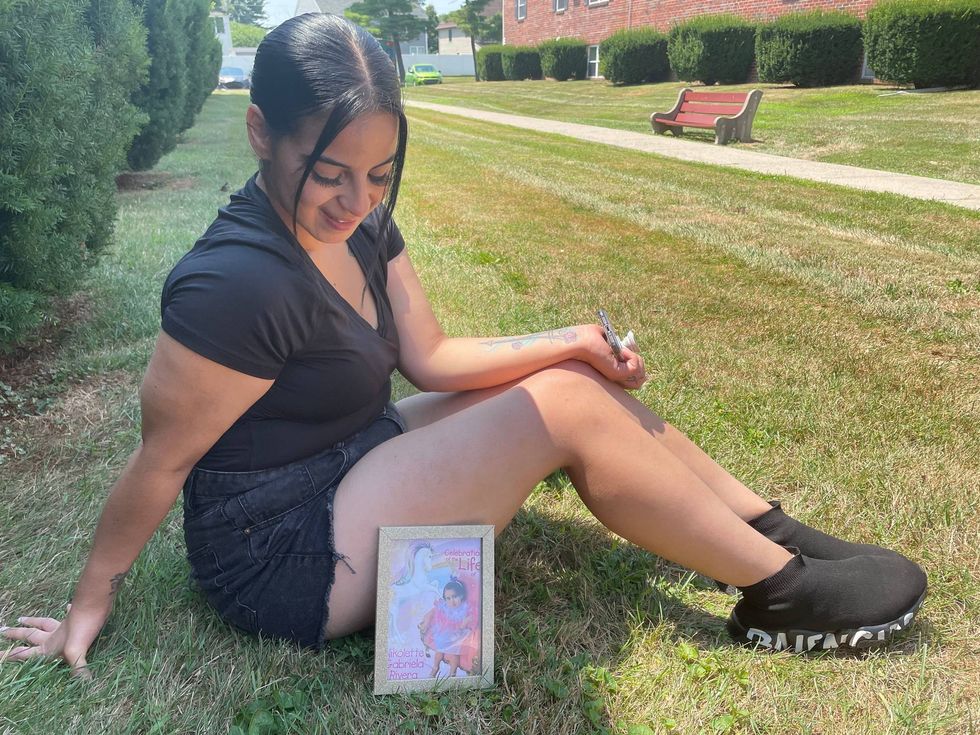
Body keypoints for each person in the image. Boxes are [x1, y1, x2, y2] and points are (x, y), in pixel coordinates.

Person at [0, 13, 926, 676]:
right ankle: (783, 591)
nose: (358, 200)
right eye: (328, 173)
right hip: (279, 548)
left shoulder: (361, 223)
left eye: (378, 173)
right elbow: (162, 461)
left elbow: (432, 358)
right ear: (260, 133)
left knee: (565, 374)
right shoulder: (234, 282)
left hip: (353, 459)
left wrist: (576, 338)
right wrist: (92, 597)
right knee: (557, 408)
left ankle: (774, 533)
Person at [418, 579, 474, 678]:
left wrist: (464, 623)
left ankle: (452, 672)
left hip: (458, 635)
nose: (452, 601)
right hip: (444, 633)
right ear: (445, 599)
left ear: (461, 596)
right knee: (439, 650)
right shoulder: (444, 608)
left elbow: (467, 621)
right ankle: (435, 667)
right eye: (448, 598)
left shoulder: (465, 609)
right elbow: (437, 615)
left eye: (454, 597)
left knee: (455, 654)